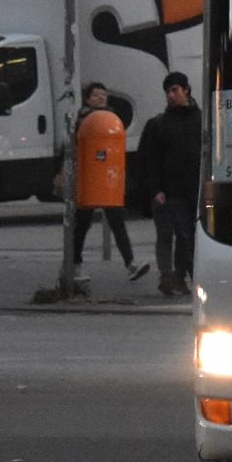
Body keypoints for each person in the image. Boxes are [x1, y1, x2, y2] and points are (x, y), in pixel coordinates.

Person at [71, 82, 149, 282]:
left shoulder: (112, 120)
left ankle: (130, 263)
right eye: (96, 95)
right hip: (88, 178)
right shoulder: (83, 119)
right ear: (88, 98)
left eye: (103, 95)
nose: (101, 98)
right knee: (82, 224)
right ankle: (75, 265)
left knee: (117, 222)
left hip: (107, 177)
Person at [144, 71, 204, 298]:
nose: (170, 95)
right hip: (172, 191)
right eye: (167, 91)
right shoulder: (161, 124)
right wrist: (156, 189)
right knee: (183, 234)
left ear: (186, 90)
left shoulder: (200, 119)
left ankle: (178, 277)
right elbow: (152, 160)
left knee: (188, 236)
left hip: (195, 190)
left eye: (174, 90)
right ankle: (180, 276)